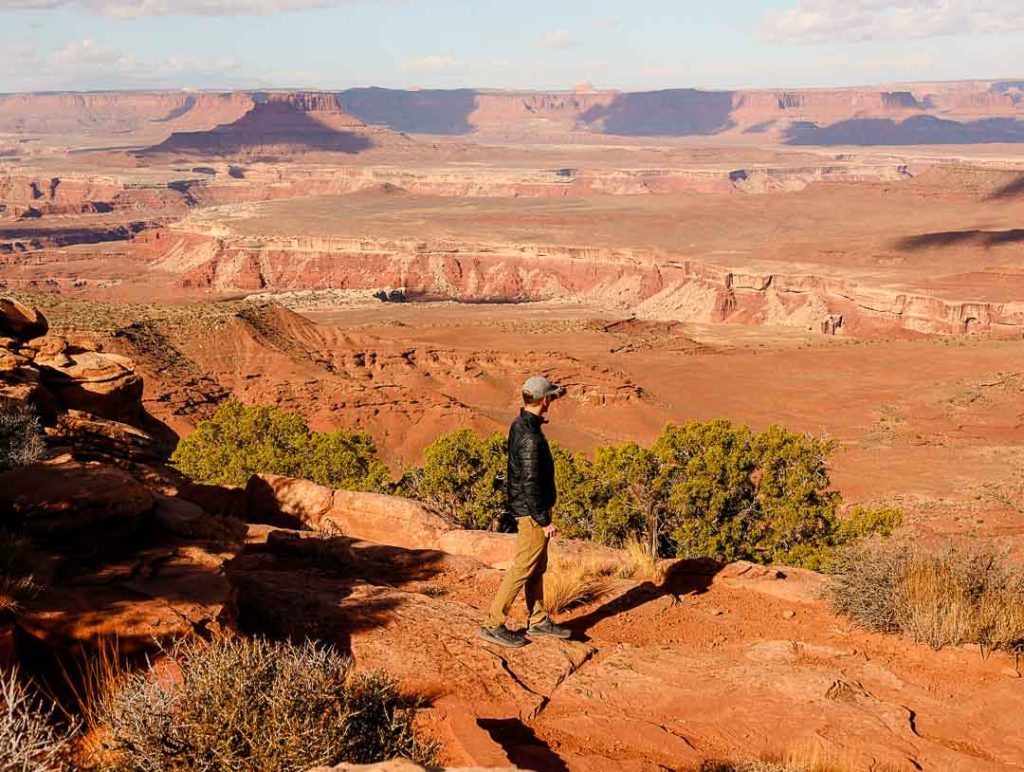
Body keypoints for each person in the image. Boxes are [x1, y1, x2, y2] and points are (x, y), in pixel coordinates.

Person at [480, 375, 572, 648]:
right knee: (523, 567)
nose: (552, 402)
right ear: (545, 400)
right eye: (551, 398)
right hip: (532, 514)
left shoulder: (520, 423)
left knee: (537, 567)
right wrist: (543, 521)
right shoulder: (530, 437)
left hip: (529, 509)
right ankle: (493, 623)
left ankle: (539, 620)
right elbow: (530, 483)